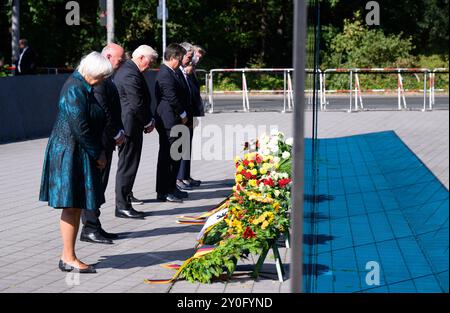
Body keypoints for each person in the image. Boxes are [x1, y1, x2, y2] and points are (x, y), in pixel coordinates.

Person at [39, 52, 113, 273]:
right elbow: (79, 127)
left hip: (75, 151)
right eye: (102, 76)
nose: (103, 80)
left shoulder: (81, 85)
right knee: (72, 205)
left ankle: (67, 256)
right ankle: (69, 257)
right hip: (69, 152)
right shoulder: (74, 88)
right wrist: (97, 153)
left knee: (75, 204)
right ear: (91, 71)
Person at [80, 43, 126, 244]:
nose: (122, 61)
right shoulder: (98, 80)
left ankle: (94, 225)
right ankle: (90, 228)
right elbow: (104, 111)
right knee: (94, 186)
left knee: (100, 186)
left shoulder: (105, 78)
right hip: (100, 142)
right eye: (120, 57)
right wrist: (116, 133)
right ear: (108, 56)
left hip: (105, 141)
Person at [114, 45, 158, 219]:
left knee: (129, 164)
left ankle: (125, 201)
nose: (151, 64)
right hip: (129, 127)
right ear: (141, 58)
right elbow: (136, 103)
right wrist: (148, 121)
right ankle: (122, 205)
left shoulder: (131, 70)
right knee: (127, 166)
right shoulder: (129, 73)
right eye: (150, 61)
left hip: (131, 125)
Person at [155, 43, 189, 203]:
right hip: (169, 120)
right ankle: (163, 190)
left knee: (175, 156)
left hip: (175, 120)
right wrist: (183, 113)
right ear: (173, 57)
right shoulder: (164, 74)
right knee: (167, 157)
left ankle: (171, 187)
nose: (181, 61)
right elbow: (171, 97)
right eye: (180, 58)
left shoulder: (172, 72)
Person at [176, 43, 204, 191]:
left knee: (186, 147)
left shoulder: (189, 70)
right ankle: (179, 177)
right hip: (183, 116)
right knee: (180, 148)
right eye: (191, 56)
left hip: (189, 114)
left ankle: (184, 175)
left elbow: (193, 93)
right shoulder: (180, 71)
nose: (194, 59)